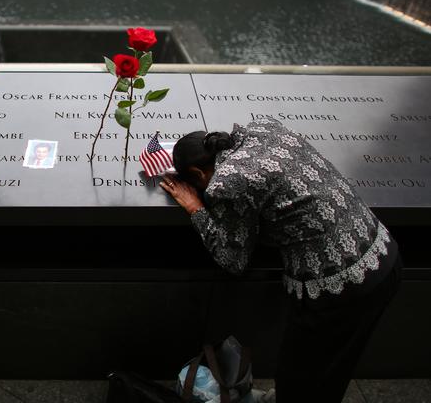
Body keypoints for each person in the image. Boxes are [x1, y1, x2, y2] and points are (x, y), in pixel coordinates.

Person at [160, 117, 401, 403]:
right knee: (334, 369)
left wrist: (196, 207)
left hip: (340, 288)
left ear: (198, 173)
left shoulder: (227, 181)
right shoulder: (262, 128)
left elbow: (233, 259)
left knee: (299, 371)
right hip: (382, 253)